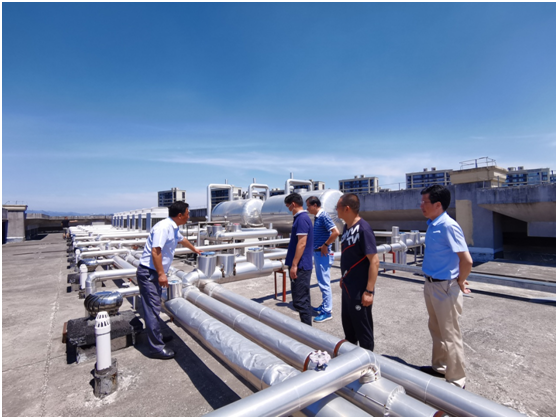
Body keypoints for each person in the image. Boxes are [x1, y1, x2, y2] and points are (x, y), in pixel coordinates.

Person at [420, 184, 472, 389]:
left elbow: (466, 260)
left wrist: (460, 280)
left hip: (445, 287)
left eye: (425, 202)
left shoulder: (449, 226)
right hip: (431, 284)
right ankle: (440, 366)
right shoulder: (433, 224)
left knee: (450, 334)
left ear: (438, 204)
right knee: (436, 329)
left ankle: (457, 380)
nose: (421, 205)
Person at [137, 201, 202, 359]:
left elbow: (182, 239)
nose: (189, 216)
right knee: (152, 309)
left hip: (154, 272)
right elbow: (155, 251)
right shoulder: (164, 227)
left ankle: (156, 337)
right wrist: (161, 274)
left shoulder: (174, 227)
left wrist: (195, 249)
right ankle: (156, 348)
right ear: (180, 215)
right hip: (149, 273)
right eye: (187, 213)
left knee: (155, 306)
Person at [336, 194, 379, 351]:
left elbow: (374, 261)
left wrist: (369, 291)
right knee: (349, 328)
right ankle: (351, 359)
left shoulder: (363, 229)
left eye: (337, 207)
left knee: (363, 330)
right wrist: (343, 277)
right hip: (348, 286)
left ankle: (368, 361)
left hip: (360, 290)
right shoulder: (347, 228)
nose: (336, 210)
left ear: (346, 208)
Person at [306, 196, 340, 323]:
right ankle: (325, 305)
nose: (307, 209)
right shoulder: (318, 217)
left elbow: (336, 232)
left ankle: (327, 311)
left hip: (323, 254)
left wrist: (326, 245)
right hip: (319, 254)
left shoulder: (323, 216)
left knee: (324, 283)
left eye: (308, 206)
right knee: (322, 281)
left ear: (315, 205)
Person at [284, 193, 314, 326]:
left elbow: (301, 243)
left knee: (301, 301)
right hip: (301, 265)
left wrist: (294, 265)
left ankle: (307, 331)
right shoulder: (301, 218)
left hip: (301, 266)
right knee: (302, 300)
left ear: (293, 204)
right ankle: (307, 330)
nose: (288, 209)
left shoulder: (301, 219)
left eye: (288, 206)